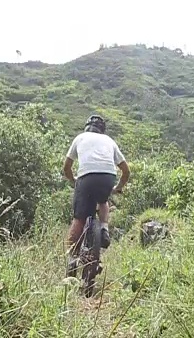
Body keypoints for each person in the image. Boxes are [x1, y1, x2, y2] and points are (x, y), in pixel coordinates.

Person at [62, 114, 130, 277]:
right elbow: (126, 171)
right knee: (103, 201)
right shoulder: (109, 141)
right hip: (108, 177)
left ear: (87, 128)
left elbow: (66, 167)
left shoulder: (80, 138)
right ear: (102, 130)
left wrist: (74, 181)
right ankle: (104, 228)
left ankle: (72, 259)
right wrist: (118, 187)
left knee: (79, 219)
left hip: (86, 178)